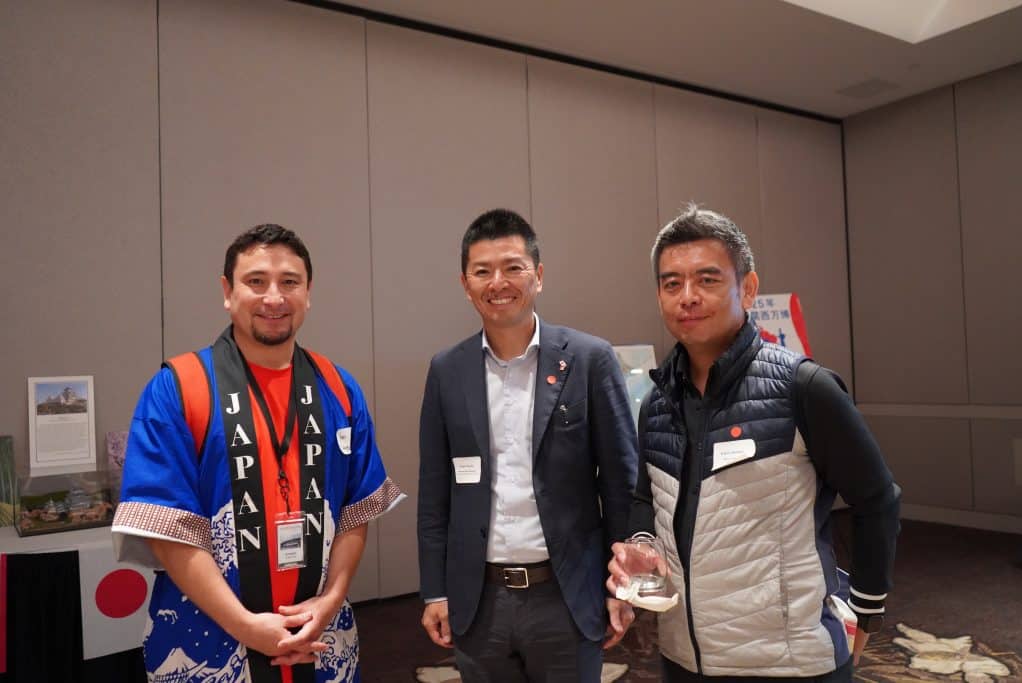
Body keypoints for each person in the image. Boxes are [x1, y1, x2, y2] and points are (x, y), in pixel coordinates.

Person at [608, 205, 900, 682]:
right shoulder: (657, 404)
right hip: (684, 657)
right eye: (671, 283)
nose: (687, 297)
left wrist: (866, 614)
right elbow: (646, 498)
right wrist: (642, 543)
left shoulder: (803, 388)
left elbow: (877, 501)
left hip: (788, 663)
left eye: (707, 280)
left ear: (747, 288)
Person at [113, 224, 404, 683]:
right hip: (209, 641)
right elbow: (169, 531)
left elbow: (354, 510)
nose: (274, 297)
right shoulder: (178, 387)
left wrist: (331, 599)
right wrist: (246, 626)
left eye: (290, 282)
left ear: (309, 293)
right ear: (227, 292)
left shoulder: (339, 388)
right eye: (256, 281)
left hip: (322, 637)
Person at [417, 209, 639, 681]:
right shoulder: (447, 371)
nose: (498, 282)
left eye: (513, 267)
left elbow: (622, 484)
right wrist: (435, 591)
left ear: (538, 276)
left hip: (566, 594)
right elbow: (435, 495)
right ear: (465, 283)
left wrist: (621, 588)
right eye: (482, 271)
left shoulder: (588, 359)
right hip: (479, 601)